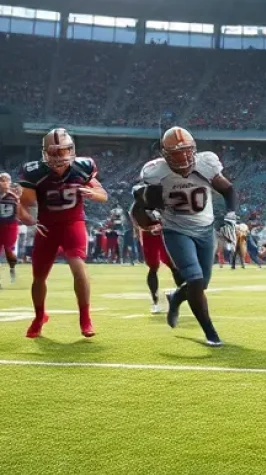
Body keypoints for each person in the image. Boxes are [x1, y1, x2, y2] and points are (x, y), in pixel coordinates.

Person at [133, 126, 237, 347]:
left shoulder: (206, 164)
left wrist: (231, 217)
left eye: (186, 152)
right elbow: (138, 206)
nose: (182, 159)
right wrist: (148, 216)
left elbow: (228, 190)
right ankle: (210, 331)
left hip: (205, 230)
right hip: (176, 230)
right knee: (195, 278)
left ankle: (177, 297)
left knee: (202, 283)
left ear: (194, 150)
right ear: (165, 155)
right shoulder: (156, 173)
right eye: (176, 154)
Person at [17, 129, 108, 338]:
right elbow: (25, 204)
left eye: (63, 151)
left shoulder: (83, 167)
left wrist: (92, 193)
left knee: (78, 266)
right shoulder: (34, 172)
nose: (59, 157)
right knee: (39, 277)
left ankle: (85, 318)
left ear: (71, 150)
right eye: (54, 152)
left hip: (72, 223)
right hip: (47, 226)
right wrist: (26, 213)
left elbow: (103, 195)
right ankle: (40, 316)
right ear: (45, 153)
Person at [132, 203, 182, 314]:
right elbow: (136, 216)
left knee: (173, 265)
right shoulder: (139, 200)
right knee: (153, 266)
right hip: (149, 235)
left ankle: (182, 295)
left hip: (164, 233)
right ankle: (155, 301)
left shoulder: (163, 195)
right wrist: (145, 228)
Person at [0, 172, 20, 286]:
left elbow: (18, 213)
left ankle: (12, 268)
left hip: (10, 226)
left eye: (6, 180)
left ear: (10, 182)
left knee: (8, 250)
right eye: (2, 180)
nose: (4, 182)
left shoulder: (13, 196)